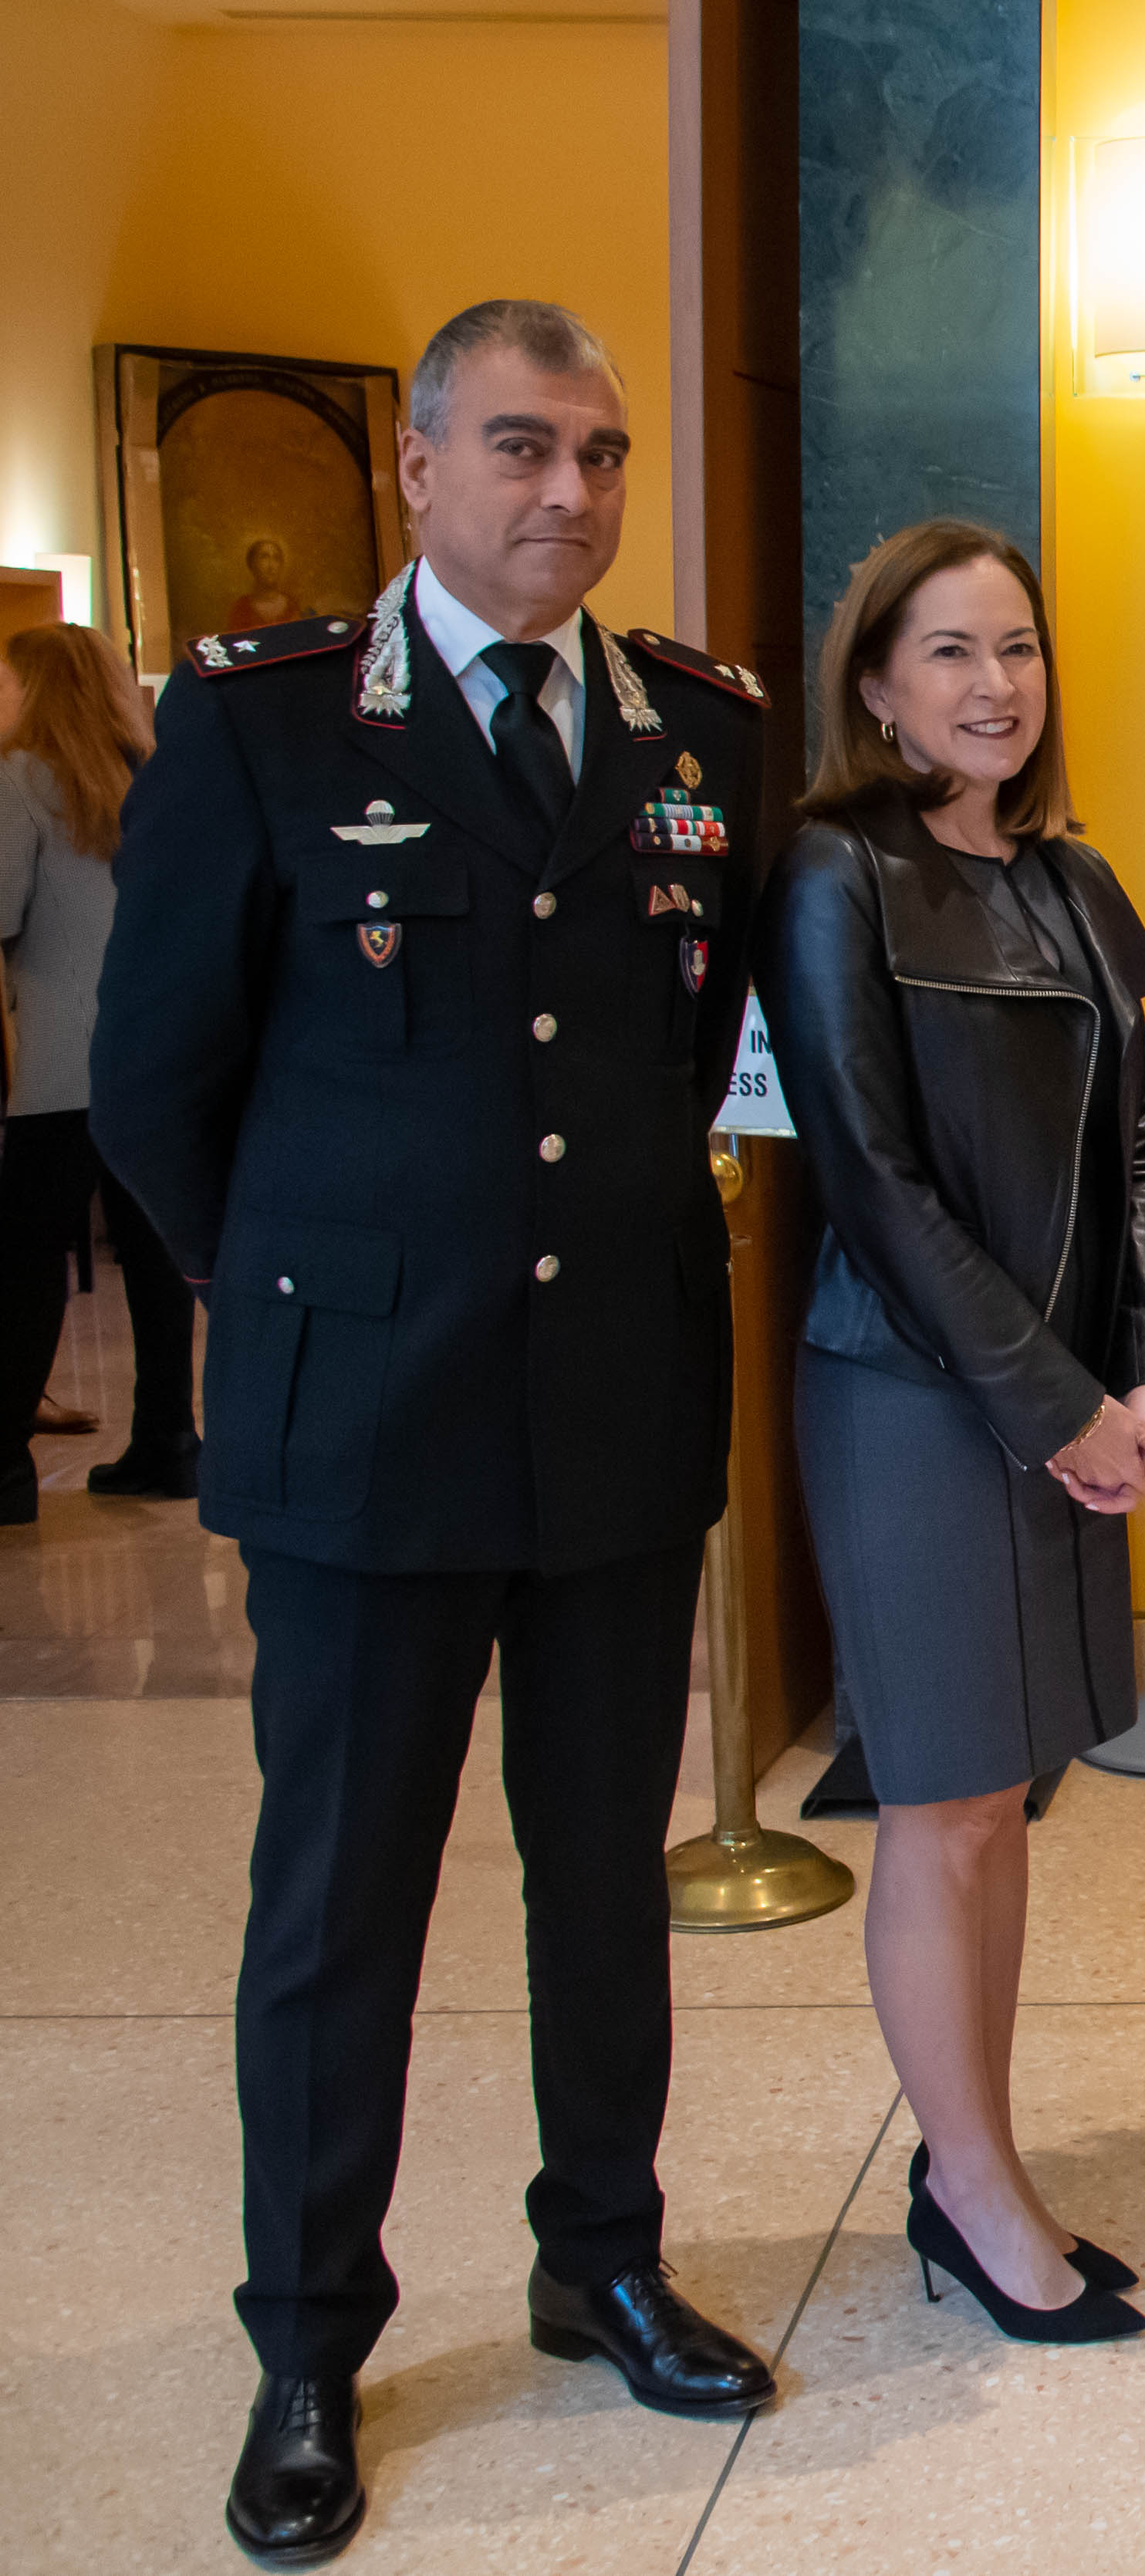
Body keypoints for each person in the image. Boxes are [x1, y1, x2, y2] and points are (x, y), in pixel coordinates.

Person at [94, 299, 782, 2565]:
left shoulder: (695, 731)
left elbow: (676, 1066)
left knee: (605, 1886)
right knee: (340, 1906)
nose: (566, 492)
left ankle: (600, 2257)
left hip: (607, 1422)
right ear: (414, 465)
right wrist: (312, 1288)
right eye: (518, 447)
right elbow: (155, 1090)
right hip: (364, 1429)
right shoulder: (270, 724)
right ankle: (306, 2332)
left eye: (596, 453)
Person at [760, 519, 1145, 2345]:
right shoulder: (835, 868)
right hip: (914, 1390)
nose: (991, 683)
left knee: (1003, 1807)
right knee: (939, 1811)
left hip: (1076, 1397)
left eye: (1014, 648)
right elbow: (870, 1174)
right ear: (875, 679)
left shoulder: (1077, 881)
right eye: (947, 651)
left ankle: (971, 2161)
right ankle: (972, 2186)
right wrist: (1057, 1400)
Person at [0, 623, 199, 1513]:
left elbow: (4, 916)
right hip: (154, 1055)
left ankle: (4, 1468)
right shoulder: (156, 779)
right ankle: (167, 1442)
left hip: (52, 1062)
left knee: (26, 1261)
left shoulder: (21, 781)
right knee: (155, 1259)